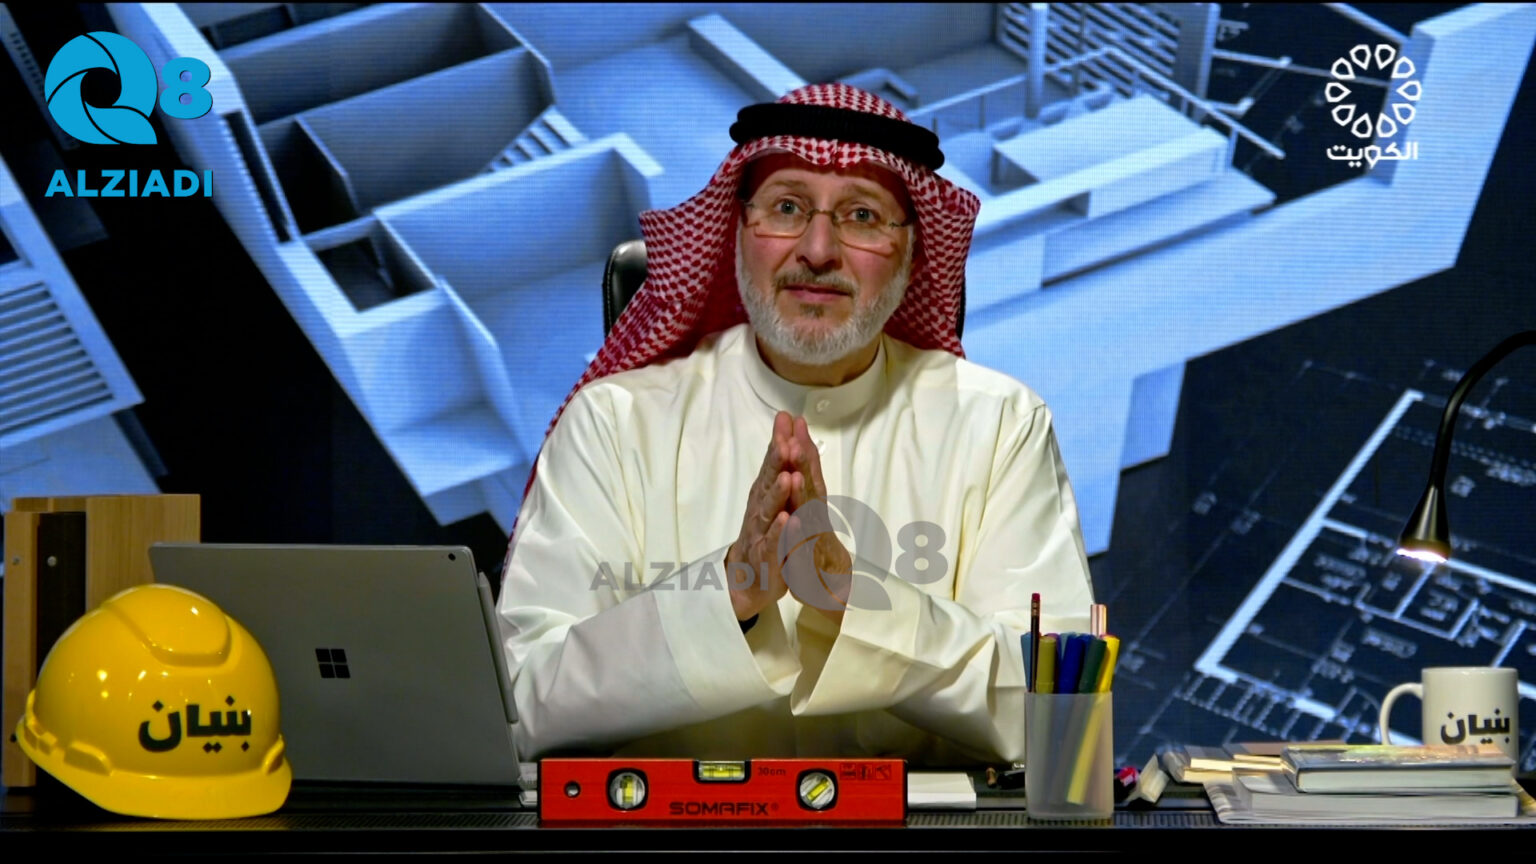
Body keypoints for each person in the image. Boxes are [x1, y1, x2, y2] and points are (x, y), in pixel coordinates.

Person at [497, 83, 1094, 766]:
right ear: (736, 234)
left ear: (912, 254)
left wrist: (849, 597)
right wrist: (727, 596)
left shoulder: (1000, 425)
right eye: (786, 208)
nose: (817, 249)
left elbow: (1056, 710)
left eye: (862, 216)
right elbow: (522, 700)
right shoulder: (614, 423)